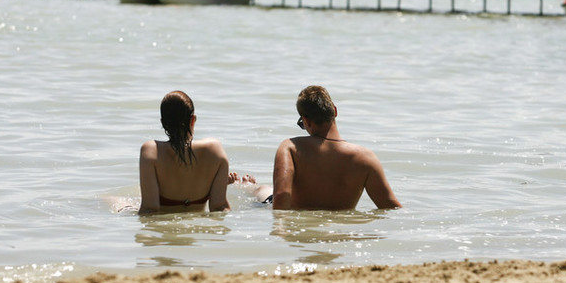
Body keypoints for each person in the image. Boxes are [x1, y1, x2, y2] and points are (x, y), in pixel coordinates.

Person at [271, 85, 401, 210]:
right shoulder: (366, 158)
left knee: (261, 191)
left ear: (306, 120)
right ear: (335, 110)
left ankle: (251, 187)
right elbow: (391, 207)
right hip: (339, 231)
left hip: (301, 228)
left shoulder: (290, 147)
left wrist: (281, 231)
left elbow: (281, 195)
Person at [139, 91, 248, 214]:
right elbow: (219, 207)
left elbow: (150, 209)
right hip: (199, 228)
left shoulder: (151, 151)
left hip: (167, 225)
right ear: (193, 120)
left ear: (163, 122)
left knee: (117, 201)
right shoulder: (214, 150)